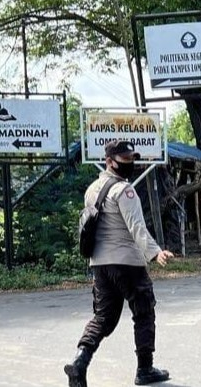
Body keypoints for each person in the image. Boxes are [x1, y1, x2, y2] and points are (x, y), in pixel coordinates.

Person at [64, 140, 175, 387]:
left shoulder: (91, 189)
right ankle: (145, 369)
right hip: (127, 262)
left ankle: (79, 362)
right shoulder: (125, 190)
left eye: (131, 159)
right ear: (109, 161)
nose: (130, 164)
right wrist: (155, 253)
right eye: (125, 160)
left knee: (103, 317)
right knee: (144, 312)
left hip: (99, 264)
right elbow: (137, 226)